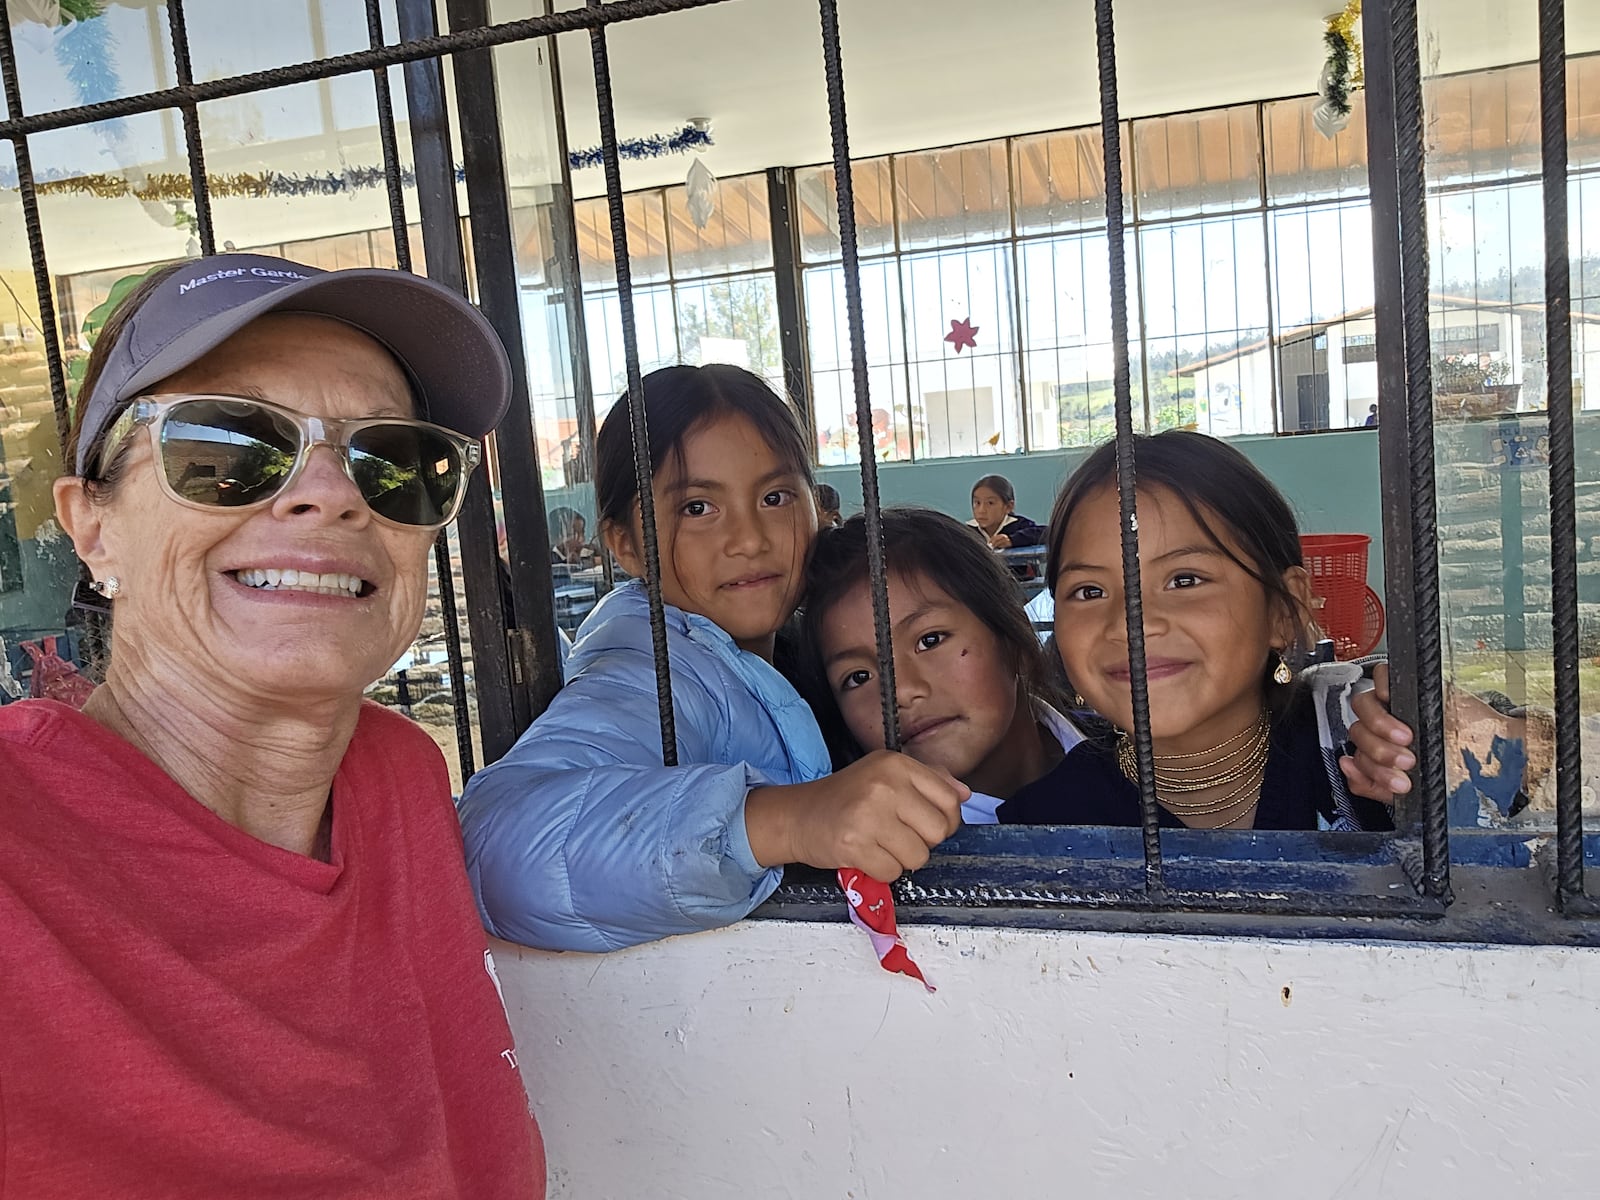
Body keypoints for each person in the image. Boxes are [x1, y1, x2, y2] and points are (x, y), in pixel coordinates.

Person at [2, 253, 544, 1197]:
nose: (332, 493)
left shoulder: (395, 777)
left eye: (396, 463)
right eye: (225, 447)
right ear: (93, 528)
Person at [458, 365, 968, 952]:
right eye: (698, 508)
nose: (749, 538)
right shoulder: (652, 677)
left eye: (775, 497)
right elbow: (496, 852)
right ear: (626, 545)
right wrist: (784, 822)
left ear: (815, 505)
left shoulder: (804, 652)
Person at [1002, 430, 1400, 831]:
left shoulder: (1363, 744)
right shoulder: (1043, 824)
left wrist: (1445, 752)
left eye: (1185, 580)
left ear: (1282, 608)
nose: (1130, 624)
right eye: (1090, 591)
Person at [797, 507, 1082, 823]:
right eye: (859, 677)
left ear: (1012, 635)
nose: (902, 692)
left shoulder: (1131, 759)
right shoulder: (872, 851)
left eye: (930, 641)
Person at [968, 473, 1043, 549]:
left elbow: (1046, 533)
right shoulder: (968, 531)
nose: (981, 510)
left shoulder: (1019, 525)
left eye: (990, 503)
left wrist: (1012, 540)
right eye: (977, 503)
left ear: (1008, 507)